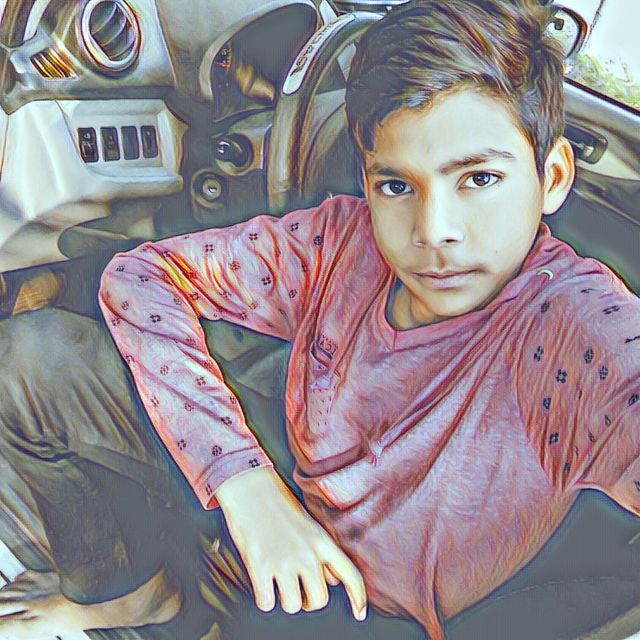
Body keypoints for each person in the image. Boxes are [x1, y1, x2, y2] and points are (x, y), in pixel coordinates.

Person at [0, 0, 639, 638]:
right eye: (397, 186)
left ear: (552, 177)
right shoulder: (341, 241)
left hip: (363, 616)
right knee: (29, 363)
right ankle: (132, 596)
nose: (434, 231)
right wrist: (246, 483)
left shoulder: (568, 323)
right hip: (277, 490)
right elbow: (140, 277)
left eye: (478, 179)